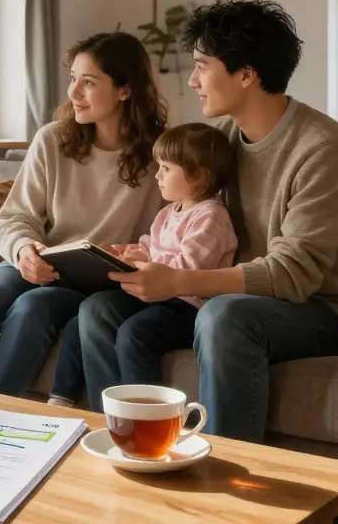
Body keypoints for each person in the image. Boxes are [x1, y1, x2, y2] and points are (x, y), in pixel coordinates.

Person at [78, 0, 338, 443]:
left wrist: (178, 283)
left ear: (246, 74)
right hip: (232, 298)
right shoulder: (220, 141)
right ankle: (134, 444)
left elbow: (293, 275)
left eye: (202, 66)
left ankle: (223, 475)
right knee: (99, 310)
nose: (193, 80)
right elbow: (189, 224)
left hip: (323, 309)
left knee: (225, 317)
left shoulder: (323, 148)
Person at [0, 31, 167, 396]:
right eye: (74, 79)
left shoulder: (162, 156)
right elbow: (16, 217)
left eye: (88, 82)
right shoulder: (53, 139)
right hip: (38, 263)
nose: (73, 92)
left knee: (32, 309)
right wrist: (25, 251)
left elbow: (173, 233)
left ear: (125, 89)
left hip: (97, 284)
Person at [46, 123, 238, 408]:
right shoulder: (167, 213)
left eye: (166, 168)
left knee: (135, 334)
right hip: (154, 296)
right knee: (86, 314)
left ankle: (145, 413)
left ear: (199, 176)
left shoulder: (211, 216)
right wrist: (127, 252)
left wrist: (142, 263)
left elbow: (188, 267)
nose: (158, 175)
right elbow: (150, 247)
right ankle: (64, 398)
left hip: (187, 306)